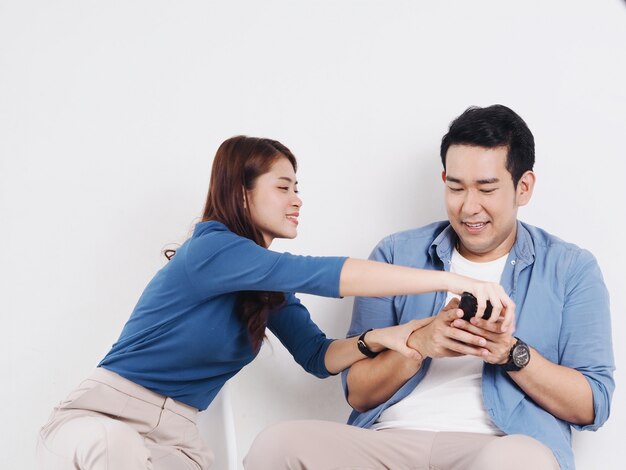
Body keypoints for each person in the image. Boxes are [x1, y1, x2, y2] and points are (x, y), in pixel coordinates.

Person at [36, 136, 512, 470]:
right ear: (242, 194)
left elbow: (318, 357)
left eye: (297, 186)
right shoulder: (211, 249)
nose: (297, 199)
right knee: (116, 447)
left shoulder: (265, 280)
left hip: (175, 439)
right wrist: (456, 277)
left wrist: (380, 338)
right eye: (283, 186)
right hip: (104, 417)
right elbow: (328, 274)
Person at [244, 105, 615, 470]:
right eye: (456, 187)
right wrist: (420, 344)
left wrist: (509, 353)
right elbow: (358, 391)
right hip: (389, 440)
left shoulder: (570, 268)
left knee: (518, 462)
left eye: (486, 189)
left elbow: (592, 405)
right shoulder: (395, 254)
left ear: (524, 187)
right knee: (277, 446)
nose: (469, 207)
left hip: (498, 445)